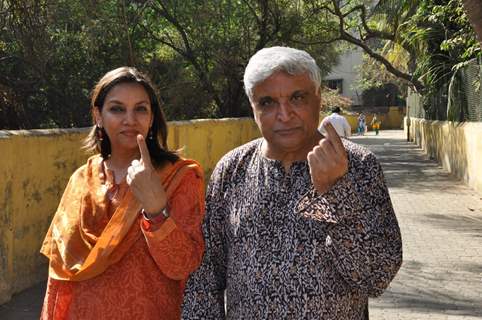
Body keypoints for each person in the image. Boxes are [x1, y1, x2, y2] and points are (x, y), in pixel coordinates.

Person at [182, 46, 402, 320]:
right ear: (252, 106)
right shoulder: (232, 170)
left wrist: (335, 192)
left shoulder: (357, 165)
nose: (284, 115)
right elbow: (204, 278)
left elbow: (376, 277)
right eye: (267, 102)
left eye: (297, 98)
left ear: (318, 98)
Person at [40, 67, 205, 320]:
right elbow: (59, 275)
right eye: (117, 109)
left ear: (152, 117)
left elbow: (182, 265)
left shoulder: (178, 178)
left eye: (140, 109)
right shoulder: (81, 180)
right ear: (98, 115)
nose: (130, 119)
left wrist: (156, 209)